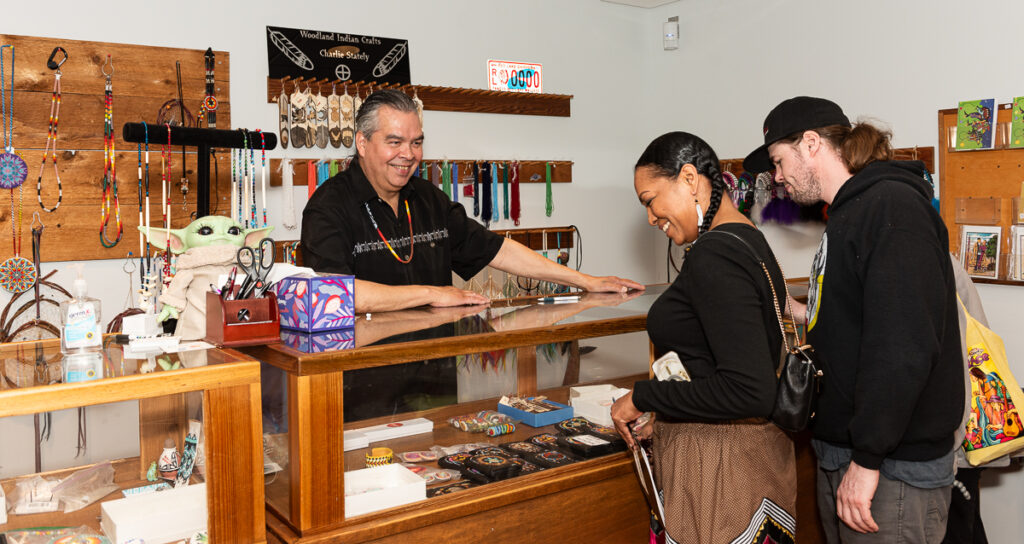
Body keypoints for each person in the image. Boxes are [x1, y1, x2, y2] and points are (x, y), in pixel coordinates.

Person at [743, 96, 964, 542]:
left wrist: (866, 461)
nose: (778, 178)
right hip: (850, 453)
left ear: (810, 144)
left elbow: (903, 348)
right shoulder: (849, 212)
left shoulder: (890, 208)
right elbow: (865, 319)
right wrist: (800, 311)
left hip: (889, 467)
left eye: (778, 162)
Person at [610, 131, 797, 544]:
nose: (650, 217)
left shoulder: (717, 255)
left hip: (722, 469)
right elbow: (722, 364)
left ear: (689, 179)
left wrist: (645, 397)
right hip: (747, 459)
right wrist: (665, 411)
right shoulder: (746, 238)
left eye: (649, 199)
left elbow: (749, 390)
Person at [301, 89, 642, 313]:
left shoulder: (426, 198)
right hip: (364, 381)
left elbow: (499, 250)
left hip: (436, 377)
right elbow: (338, 295)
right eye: (394, 142)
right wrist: (432, 293)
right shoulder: (328, 208)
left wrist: (587, 281)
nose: (408, 154)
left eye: (416, 142)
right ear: (362, 143)